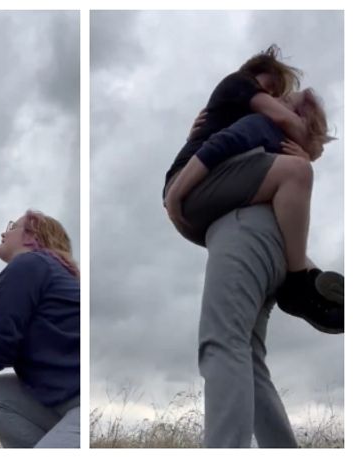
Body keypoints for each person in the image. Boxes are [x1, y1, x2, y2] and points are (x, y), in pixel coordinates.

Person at [162, 45, 343, 333]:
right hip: (189, 187)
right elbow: (283, 125)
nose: (271, 100)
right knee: (296, 173)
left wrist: (307, 148)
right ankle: (298, 281)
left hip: (211, 200)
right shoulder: (241, 88)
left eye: (278, 95)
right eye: (271, 89)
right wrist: (308, 148)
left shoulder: (257, 134)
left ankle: (313, 286)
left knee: (282, 222)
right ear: (254, 75)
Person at [0, 210, 80, 448]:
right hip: (63, 405)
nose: (4, 232)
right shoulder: (43, 274)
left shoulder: (30, 264)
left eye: (12, 226)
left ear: (32, 236)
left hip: (78, 404)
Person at [200, 205, 302, 447]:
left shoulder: (241, 169)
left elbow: (295, 173)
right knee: (250, 362)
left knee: (223, 344)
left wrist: (174, 198)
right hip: (270, 238)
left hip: (242, 232)